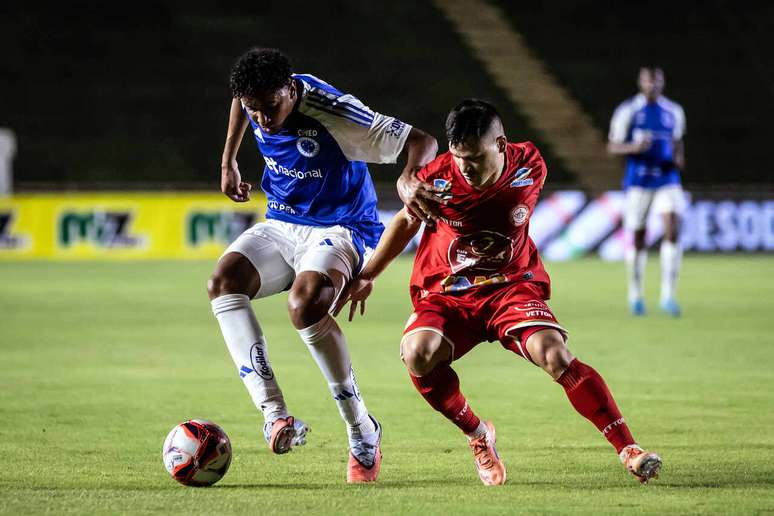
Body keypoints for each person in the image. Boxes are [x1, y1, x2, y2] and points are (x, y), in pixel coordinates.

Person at [336, 99, 662, 486]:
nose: (466, 168)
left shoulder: (531, 166)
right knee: (417, 354)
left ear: (501, 145)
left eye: (474, 157)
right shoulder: (436, 181)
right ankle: (478, 435)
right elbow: (406, 223)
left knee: (554, 353)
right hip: (449, 293)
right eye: (458, 157)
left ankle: (629, 449)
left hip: (511, 287)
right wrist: (367, 274)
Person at [208, 47, 438, 483]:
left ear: (291, 89)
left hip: (342, 227)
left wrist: (410, 178)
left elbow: (422, 141)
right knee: (223, 282)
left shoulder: (332, 110)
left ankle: (361, 429)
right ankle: (275, 415)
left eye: (270, 107)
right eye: (254, 109)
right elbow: (240, 99)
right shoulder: (255, 99)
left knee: (306, 304)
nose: (262, 119)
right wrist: (229, 161)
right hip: (282, 222)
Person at [608, 66, 686, 317]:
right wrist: (634, 146)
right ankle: (636, 294)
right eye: (648, 81)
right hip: (639, 182)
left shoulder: (673, 111)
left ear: (662, 83)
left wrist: (679, 158)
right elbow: (613, 146)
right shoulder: (628, 111)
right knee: (638, 238)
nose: (653, 85)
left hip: (667, 179)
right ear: (641, 82)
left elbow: (677, 142)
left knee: (672, 228)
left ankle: (668, 296)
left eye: (657, 81)